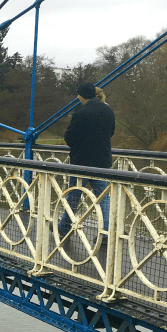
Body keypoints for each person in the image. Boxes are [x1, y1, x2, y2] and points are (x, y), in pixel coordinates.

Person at [59, 82, 115, 235]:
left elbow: (69, 138)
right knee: (103, 198)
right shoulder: (108, 110)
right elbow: (111, 132)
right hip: (102, 162)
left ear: (81, 96)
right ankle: (105, 233)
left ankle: (64, 228)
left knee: (74, 196)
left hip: (81, 162)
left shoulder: (81, 113)